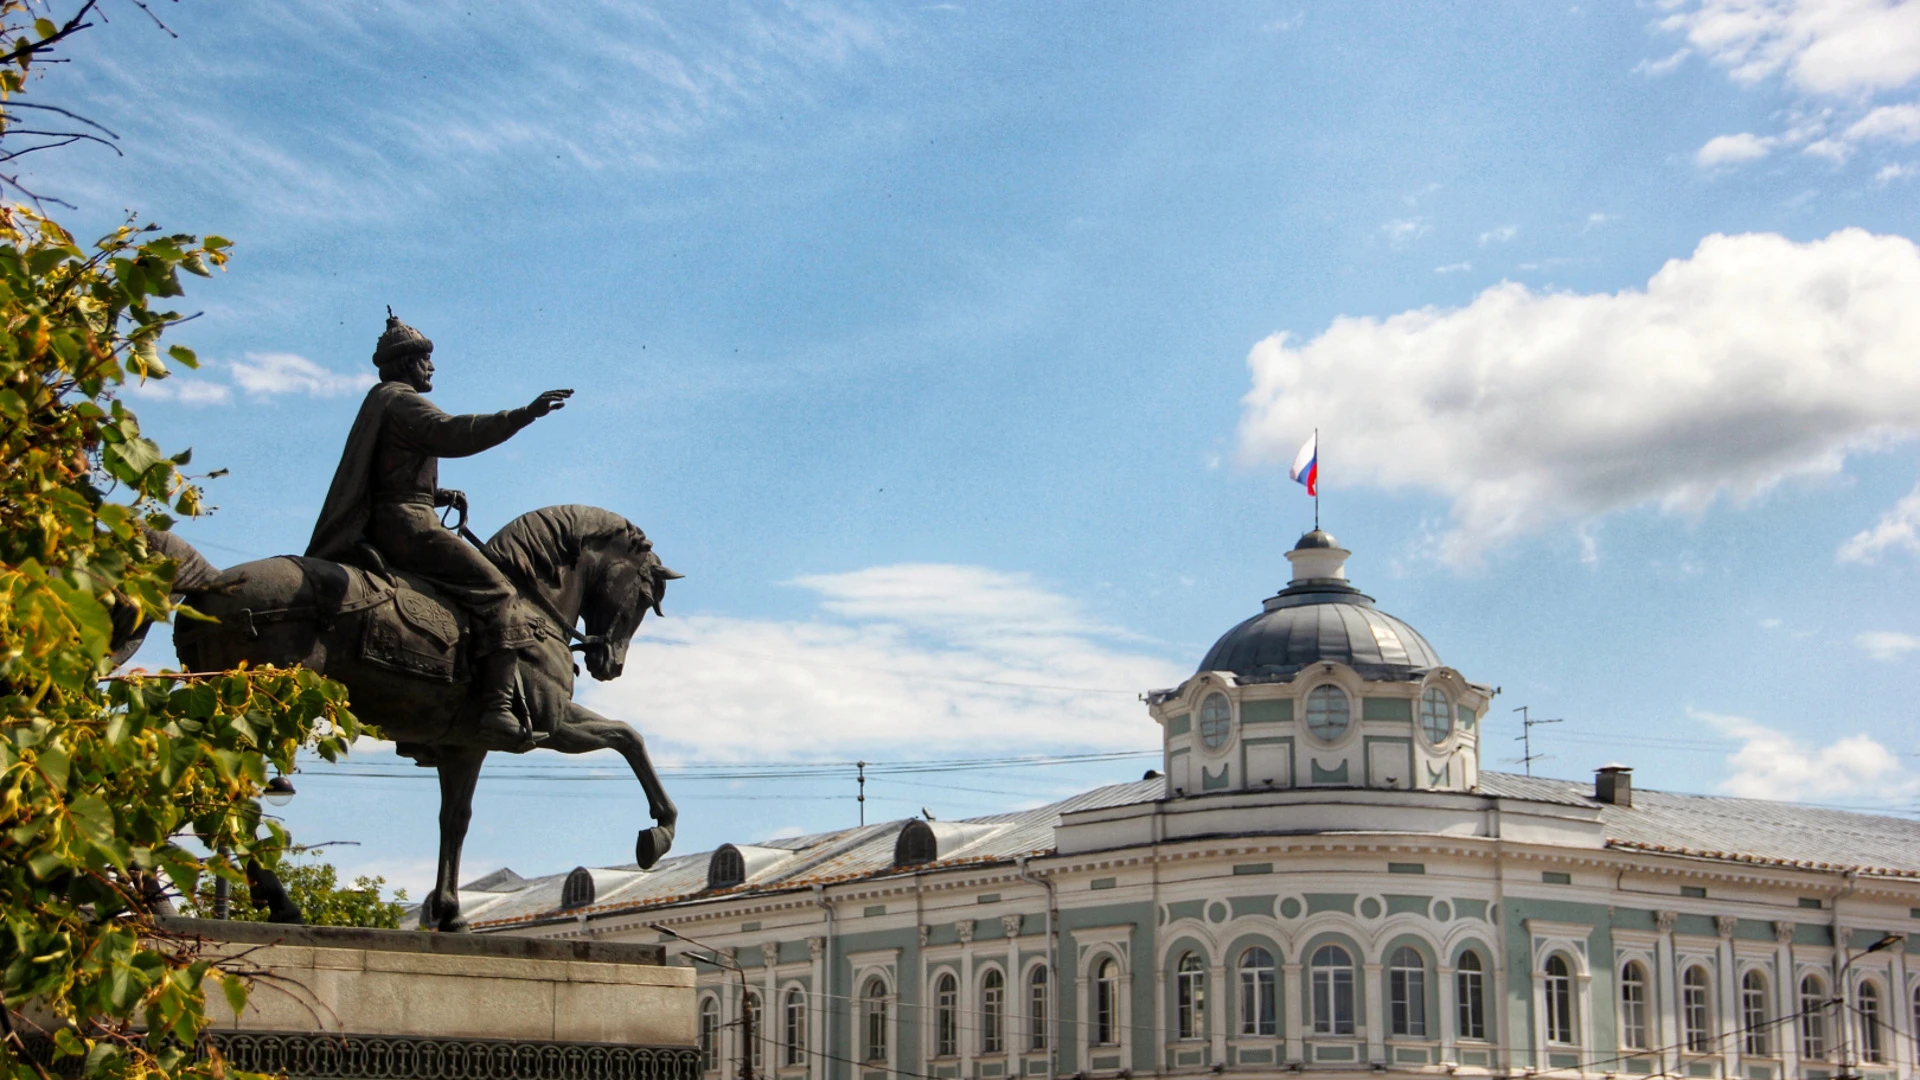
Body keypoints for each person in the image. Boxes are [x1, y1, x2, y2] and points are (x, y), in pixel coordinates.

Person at [308, 311, 571, 750]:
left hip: (395, 517)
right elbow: (453, 433)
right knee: (500, 593)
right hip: (407, 527)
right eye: (425, 360)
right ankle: (497, 710)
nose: (432, 368)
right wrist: (523, 414)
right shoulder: (403, 400)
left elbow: (388, 473)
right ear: (407, 363)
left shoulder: (380, 401)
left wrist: (437, 493)